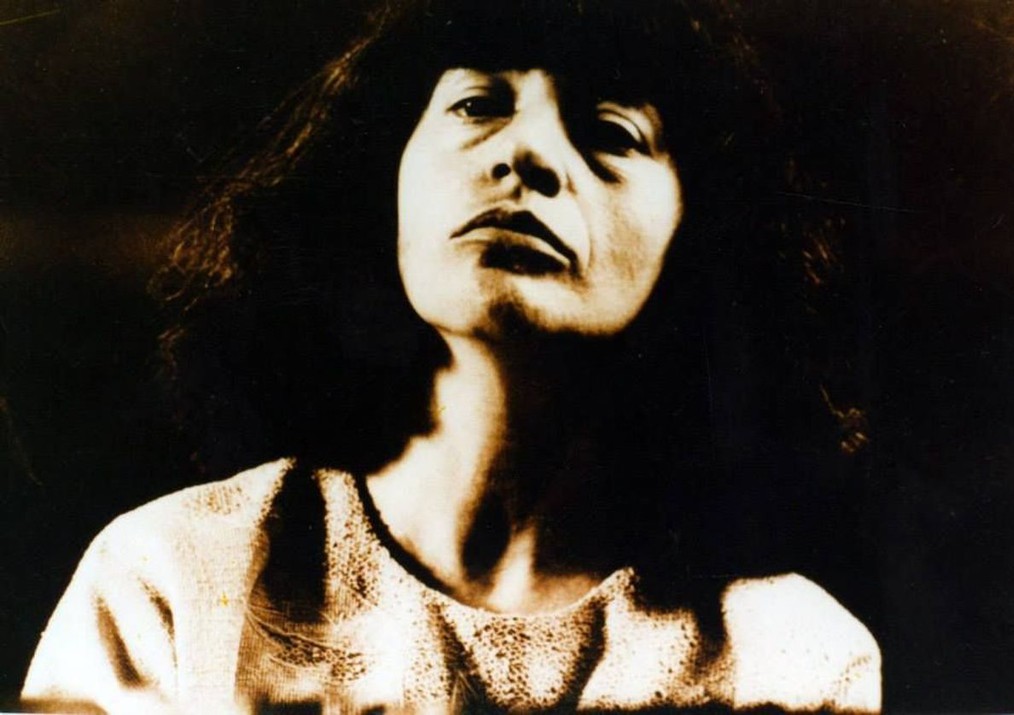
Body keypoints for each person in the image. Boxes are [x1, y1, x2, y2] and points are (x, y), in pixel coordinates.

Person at [22, 0, 881, 711]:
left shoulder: (786, 657)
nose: (527, 154)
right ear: (384, 176)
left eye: (610, 132)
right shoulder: (173, 576)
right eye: (476, 106)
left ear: (700, 235)